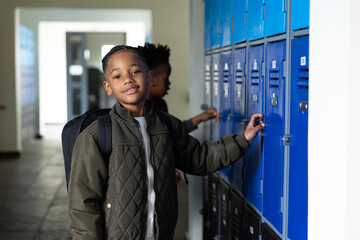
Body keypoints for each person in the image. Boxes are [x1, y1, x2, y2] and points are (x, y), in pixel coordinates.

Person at [67, 45, 265, 240]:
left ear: (150, 77)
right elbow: (83, 202)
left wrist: (243, 139)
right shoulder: (96, 134)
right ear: (108, 87)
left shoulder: (167, 125)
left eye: (135, 71)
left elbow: (199, 157)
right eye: (117, 76)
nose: (128, 79)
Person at [139, 43, 217, 133]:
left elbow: (172, 133)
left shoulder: (159, 104)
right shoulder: (140, 111)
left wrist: (198, 118)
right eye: (166, 78)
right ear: (150, 78)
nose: (169, 83)